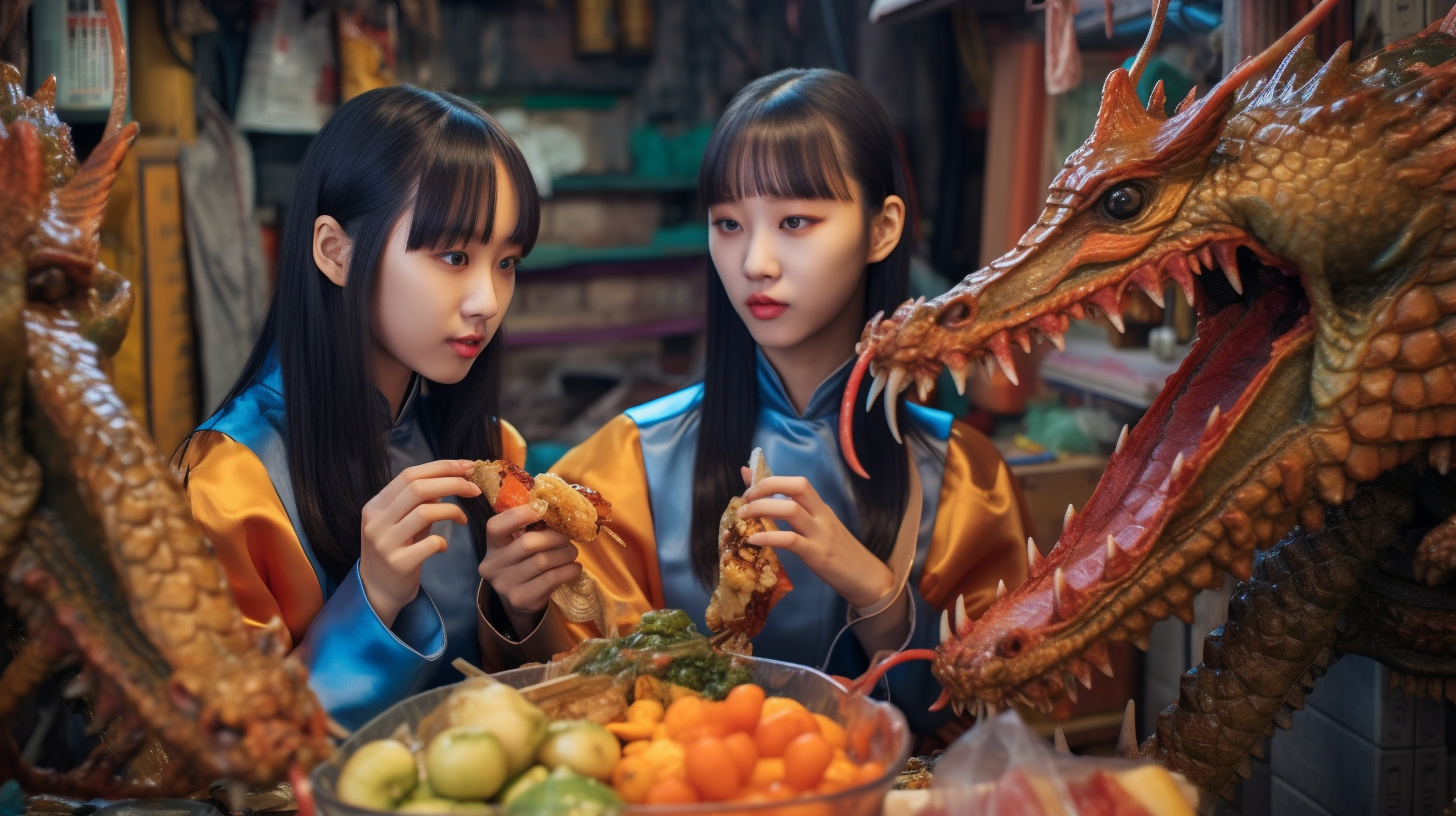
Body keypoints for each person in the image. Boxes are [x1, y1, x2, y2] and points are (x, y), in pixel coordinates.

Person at [476, 68, 1030, 734]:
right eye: (729, 223)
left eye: (796, 220)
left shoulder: (969, 483)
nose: (756, 261)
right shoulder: (621, 465)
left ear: (882, 229)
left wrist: (880, 595)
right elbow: (588, 711)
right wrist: (521, 612)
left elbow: (1003, 727)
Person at [176, 85, 567, 729]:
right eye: (453, 256)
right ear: (335, 251)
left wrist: (519, 616)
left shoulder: (495, 451)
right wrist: (373, 602)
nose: (486, 301)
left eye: (507, 262)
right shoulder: (230, 482)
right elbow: (220, 753)